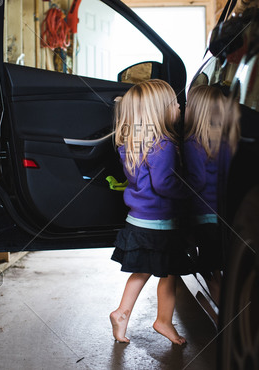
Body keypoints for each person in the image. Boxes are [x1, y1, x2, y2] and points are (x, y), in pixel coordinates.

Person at [109, 79, 190, 345]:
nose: (180, 106)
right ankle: (163, 321)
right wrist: (190, 191)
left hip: (138, 221)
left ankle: (122, 313)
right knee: (169, 274)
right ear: (160, 110)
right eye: (175, 102)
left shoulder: (131, 143)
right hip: (161, 224)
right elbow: (164, 184)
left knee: (140, 272)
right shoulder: (163, 145)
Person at [183, 85, 240, 294]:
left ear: (197, 111)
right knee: (223, 268)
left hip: (203, 217)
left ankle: (221, 320)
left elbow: (196, 181)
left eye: (188, 104)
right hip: (225, 217)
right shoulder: (227, 142)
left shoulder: (193, 142)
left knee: (209, 271)